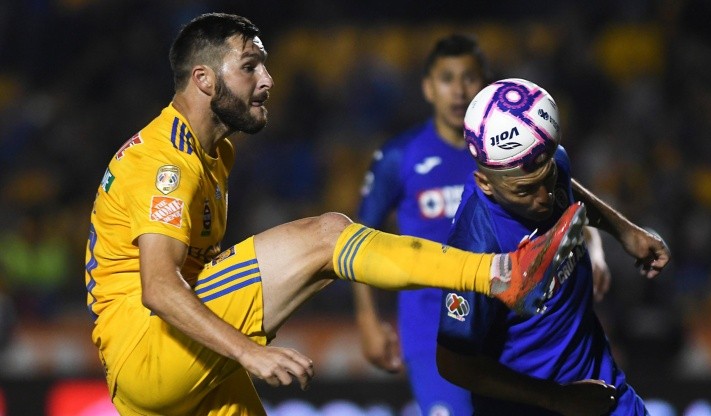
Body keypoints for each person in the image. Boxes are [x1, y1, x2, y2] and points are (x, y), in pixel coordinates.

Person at [82, 14, 596, 415]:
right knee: (329, 236)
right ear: (204, 79)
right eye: (250, 66)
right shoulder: (165, 163)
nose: (268, 79)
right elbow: (159, 287)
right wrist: (249, 352)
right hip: (148, 347)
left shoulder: (214, 152)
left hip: (166, 372)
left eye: (265, 64)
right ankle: (501, 274)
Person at [354, 35, 613, 416]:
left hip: (514, 328)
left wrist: (595, 247)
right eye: (447, 78)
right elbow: (361, 240)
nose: (459, 90)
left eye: (469, 78)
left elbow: (559, 204)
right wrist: (367, 319)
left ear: (486, 85)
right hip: (433, 330)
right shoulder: (399, 157)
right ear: (428, 87)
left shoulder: (515, 153)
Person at [436, 79, 672, 415]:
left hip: (603, 390)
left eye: (547, 177)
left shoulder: (545, 163)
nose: (545, 198)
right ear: (484, 183)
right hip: (531, 408)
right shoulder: (476, 248)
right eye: (525, 191)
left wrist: (624, 231)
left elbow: (564, 184)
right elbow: (452, 364)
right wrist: (556, 400)